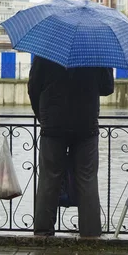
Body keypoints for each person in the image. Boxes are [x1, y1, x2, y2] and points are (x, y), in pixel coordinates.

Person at [28, 56, 114, 238]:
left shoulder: (46, 50)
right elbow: (107, 88)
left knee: (49, 178)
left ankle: (43, 233)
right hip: (86, 125)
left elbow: (33, 87)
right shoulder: (95, 51)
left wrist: (42, 117)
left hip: (53, 125)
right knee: (87, 178)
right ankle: (90, 235)